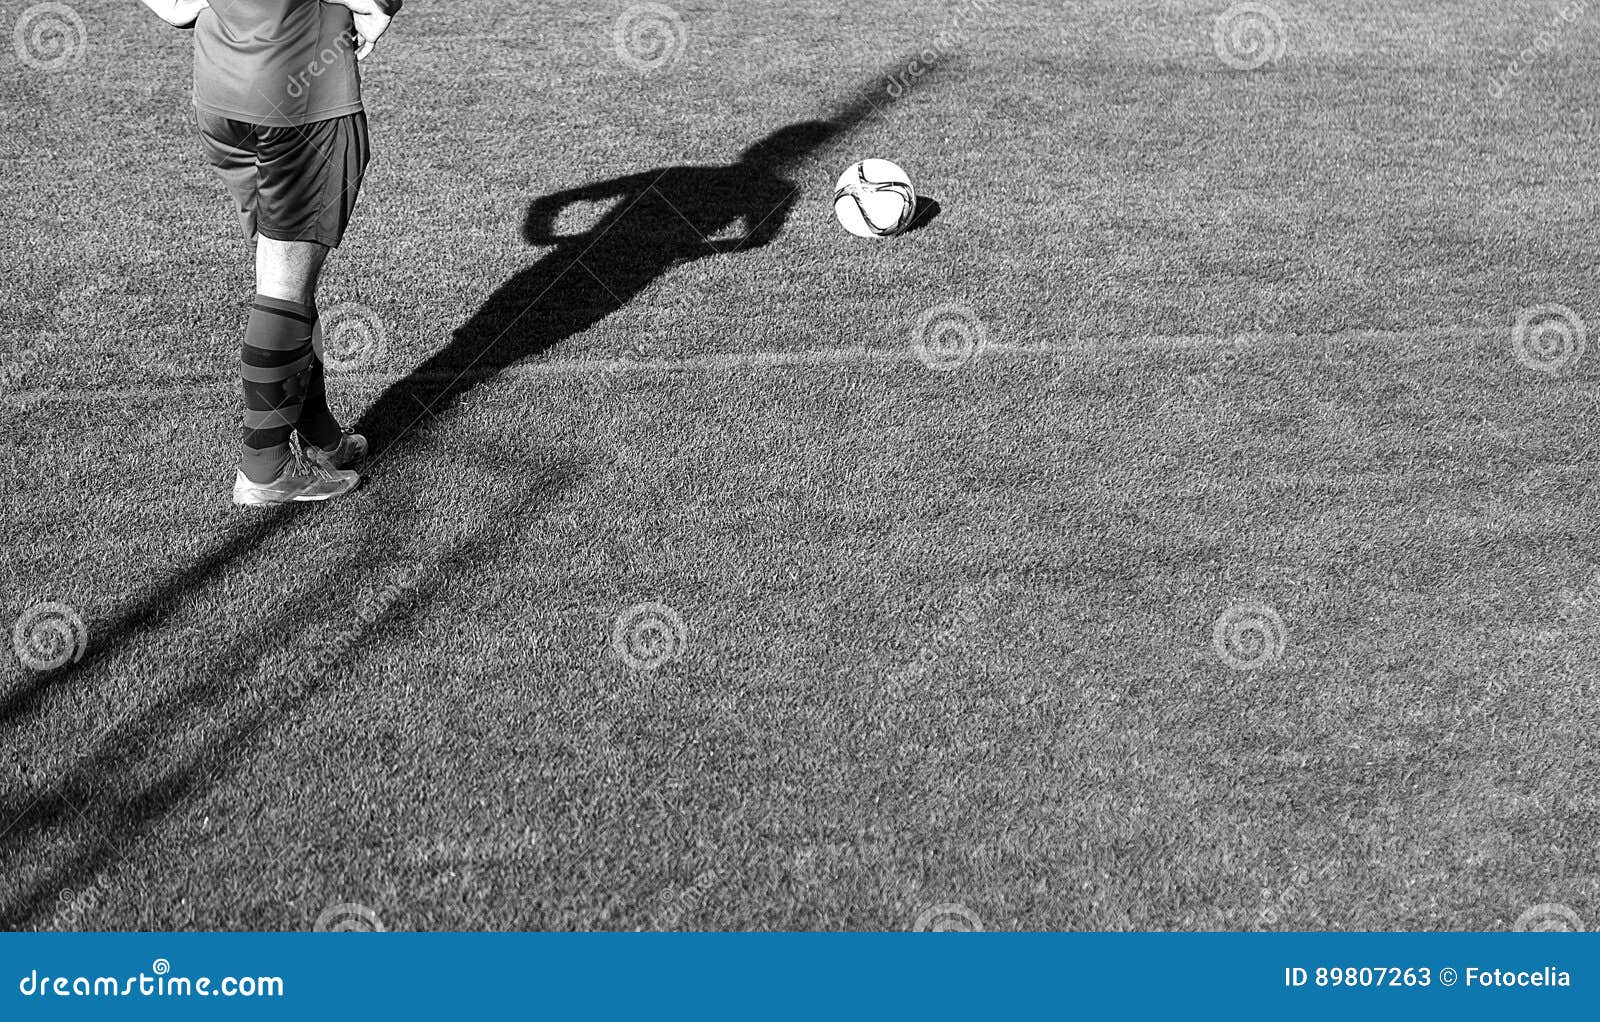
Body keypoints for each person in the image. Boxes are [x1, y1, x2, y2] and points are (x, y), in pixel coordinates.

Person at [139, 0, 401, 504]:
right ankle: (264, 469)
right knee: (284, 284)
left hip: (222, 92)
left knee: (285, 274)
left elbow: (174, 9)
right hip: (301, 96)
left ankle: (322, 437)